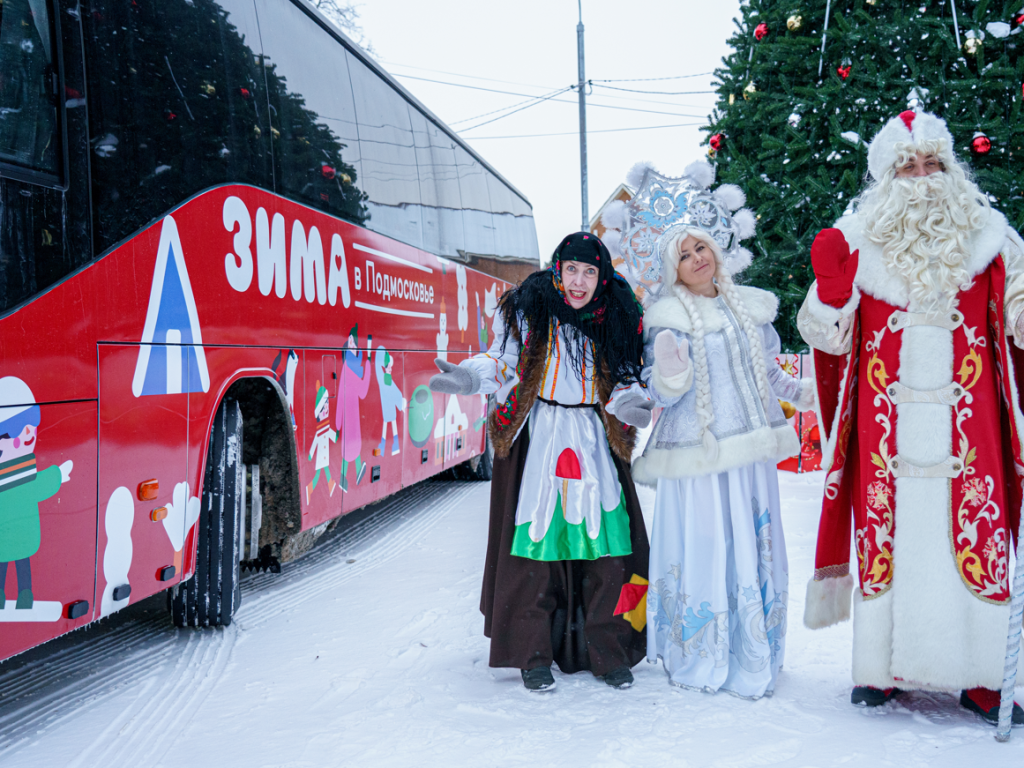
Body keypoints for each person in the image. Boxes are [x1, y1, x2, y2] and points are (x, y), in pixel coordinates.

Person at [797, 109, 1024, 724]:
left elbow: (1020, 322)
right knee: (887, 544)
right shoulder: (856, 238)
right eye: (906, 166)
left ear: (951, 169)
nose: (920, 178)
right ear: (885, 177)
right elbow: (826, 336)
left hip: (968, 430)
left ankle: (982, 677)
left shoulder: (991, 239)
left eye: (931, 164)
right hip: (886, 434)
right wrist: (831, 293)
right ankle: (883, 670)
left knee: (975, 533)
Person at [429, 232, 653, 692]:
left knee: (611, 551)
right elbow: (503, 361)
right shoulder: (527, 308)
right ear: (557, 269)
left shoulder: (619, 315)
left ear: (601, 276)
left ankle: (609, 651)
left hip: (595, 436)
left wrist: (632, 401)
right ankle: (532, 654)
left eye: (590, 271)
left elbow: (630, 374)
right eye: (572, 269)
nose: (579, 280)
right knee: (533, 550)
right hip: (540, 435)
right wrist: (471, 377)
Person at [632, 166, 814, 699]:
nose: (697, 260)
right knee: (709, 548)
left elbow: (773, 375)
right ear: (674, 269)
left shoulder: (751, 307)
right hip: (698, 460)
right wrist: (668, 369)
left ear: (715, 247)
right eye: (684, 256)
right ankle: (703, 649)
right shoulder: (665, 317)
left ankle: (754, 648)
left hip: (750, 455)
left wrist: (810, 397)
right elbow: (663, 396)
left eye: (700, 248)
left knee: (751, 547)